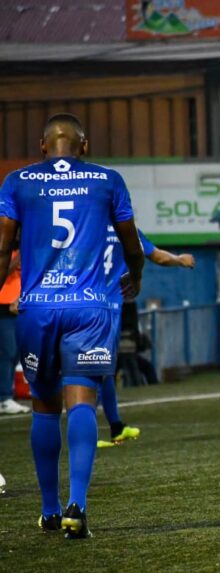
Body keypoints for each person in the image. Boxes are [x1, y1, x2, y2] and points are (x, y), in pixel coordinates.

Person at [0, 113, 145, 539]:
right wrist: (135, 275)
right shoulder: (107, 179)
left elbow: (2, 247)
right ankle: (77, 505)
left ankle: (48, 509)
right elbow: (131, 242)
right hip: (87, 306)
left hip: (38, 308)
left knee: (44, 406)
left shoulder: (17, 181)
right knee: (82, 401)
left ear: (43, 147)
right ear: (85, 146)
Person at [96, 226, 195, 448]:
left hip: (76, 301)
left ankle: (115, 427)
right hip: (106, 308)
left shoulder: (84, 223)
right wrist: (179, 259)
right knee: (96, 370)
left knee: (98, 370)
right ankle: (88, 434)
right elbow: (157, 257)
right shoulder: (125, 229)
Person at [0, 248, 30, 414]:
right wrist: (19, 257)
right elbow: (4, 270)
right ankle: (3, 397)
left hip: (19, 305)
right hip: (3, 306)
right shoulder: (6, 251)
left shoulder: (19, 250)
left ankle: (7, 395)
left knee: (16, 353)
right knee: (7, 352)